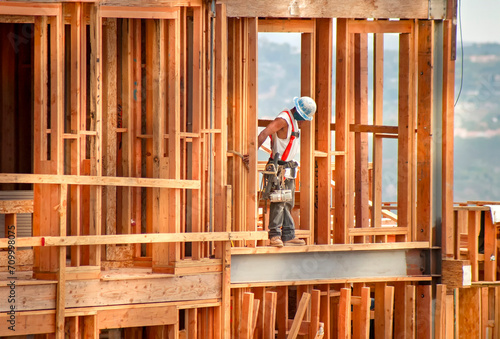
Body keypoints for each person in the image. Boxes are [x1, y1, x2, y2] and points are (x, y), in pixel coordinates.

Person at [257, 96, 317, 247]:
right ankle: (275, 235)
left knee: (287, 201)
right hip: (279, 166)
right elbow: (264, 133)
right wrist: (251, 154)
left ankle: (288, 235)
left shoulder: (294, 121)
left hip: (288, 167)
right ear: (296, 110)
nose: (303, 121)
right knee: (278, 200)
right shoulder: (283, 119)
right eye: (302, 117)